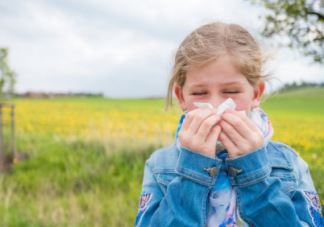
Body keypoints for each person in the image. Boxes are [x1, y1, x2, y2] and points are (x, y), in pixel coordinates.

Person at [135, 22, 323, 226]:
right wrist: (192, 171)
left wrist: (254, 175)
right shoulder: (161, 165)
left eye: (231, 92)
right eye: (199, 93)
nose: (216, 106)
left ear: (256, 93)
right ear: (181, 97)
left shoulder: (289, 163)